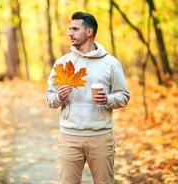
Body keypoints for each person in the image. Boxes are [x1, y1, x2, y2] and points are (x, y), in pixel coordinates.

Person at [46, 11, 130, 184]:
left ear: (89, 32)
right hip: (69, 137)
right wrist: (59, 97)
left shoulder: (110, 64)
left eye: (75, 29)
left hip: (100, 136)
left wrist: (107, 99)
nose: (70, 33)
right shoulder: (62, 63)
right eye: (70, 29)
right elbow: (50, 99)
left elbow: (123, 96)